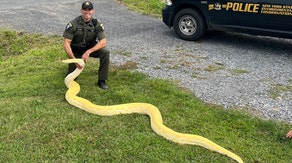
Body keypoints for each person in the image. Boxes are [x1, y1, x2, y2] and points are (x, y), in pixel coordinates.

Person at [63, 1, 110, 90]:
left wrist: (89, 51)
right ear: (81, 10)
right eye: (85, 9)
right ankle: (73, 68)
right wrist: (74, 60)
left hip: (89, 48)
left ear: (93, 11)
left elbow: (103, 42)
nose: (87, 11)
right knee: (70, 79)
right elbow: (66, 44)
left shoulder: (97, 24)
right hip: (76, 50)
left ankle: (102, 80)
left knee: (105, 53)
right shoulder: (73, 24)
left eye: (89, 9)